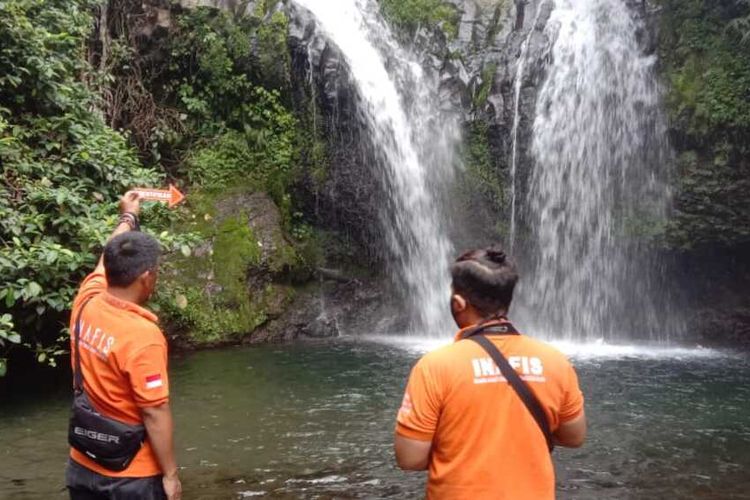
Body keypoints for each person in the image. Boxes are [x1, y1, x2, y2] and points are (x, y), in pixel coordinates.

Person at [394, 245, 586, 499]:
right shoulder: (555, 362)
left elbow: (410, 458)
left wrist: (460, 442)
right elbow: (574, 436)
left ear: (458, 303)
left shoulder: (435, 367)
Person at [65, 192, 182, 500]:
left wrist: (127, 217)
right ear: (146, 277)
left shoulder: (86, 300)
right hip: (131, 478)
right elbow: (154, 411)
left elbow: (106, 257)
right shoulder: (143, 336)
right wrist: (171, 474)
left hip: (82, 463)